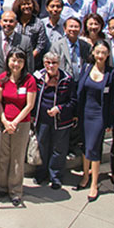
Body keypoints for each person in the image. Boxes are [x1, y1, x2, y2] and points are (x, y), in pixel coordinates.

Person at [75, 40, 114, 202]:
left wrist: (109, 121)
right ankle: (85, 175)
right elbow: (81, 92)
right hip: (85, 113)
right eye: (97, 52)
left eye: (103, 53)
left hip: (99, 116)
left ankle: (94, 183)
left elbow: (113, 99)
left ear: (107, 55)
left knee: (94, 148)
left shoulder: (111, 73)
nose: (100, 56)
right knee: (85, 146)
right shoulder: (86, 68)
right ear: (93, 53)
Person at [0, 48, 37, 206]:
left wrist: (15, 122)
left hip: (21, 123)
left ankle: (15, 191)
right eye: (13, 60)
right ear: (8, 61)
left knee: (17, 158)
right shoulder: (2, 78)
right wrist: (5, 120)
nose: (16, 64)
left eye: (20, 61)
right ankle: (1, 186)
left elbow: (29, 105)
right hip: (4, 122)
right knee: (3, 156)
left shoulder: (29, 80)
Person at [32, 52, 76, 189]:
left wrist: (59, 108)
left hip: (60, 121)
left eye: (54, 63)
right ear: (44, 63)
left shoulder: (67, 79)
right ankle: (41, 173)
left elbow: (73, 101)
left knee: (59, 149)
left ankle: (55, 177)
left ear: (59, 63)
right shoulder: (37, 77)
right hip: (42, 119)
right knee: (43, 147)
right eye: (48, 63)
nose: (51, 66)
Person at [0, 10, 34, 79]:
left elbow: (29, 67)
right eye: (5, 21)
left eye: (11, 21)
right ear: (0, 22)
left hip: (17, 82)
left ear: (16, 23)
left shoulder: (25, 41)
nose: (8, 24)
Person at [50, 17, 91, 82]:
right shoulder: (57, 46)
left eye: (76, 27)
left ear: (80, 29)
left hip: (82, 81)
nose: (73, 29)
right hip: (64, 81)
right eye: (71, 26)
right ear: (65, 29)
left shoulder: (86, 46)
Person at [12, 0, 47, 69]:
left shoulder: (38, 23)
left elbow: (41, 44)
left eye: (29, 4)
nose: (27, 6)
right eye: (23, 4)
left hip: (33, 62)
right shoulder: (14, 21)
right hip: (14, 60)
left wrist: (29, 57)